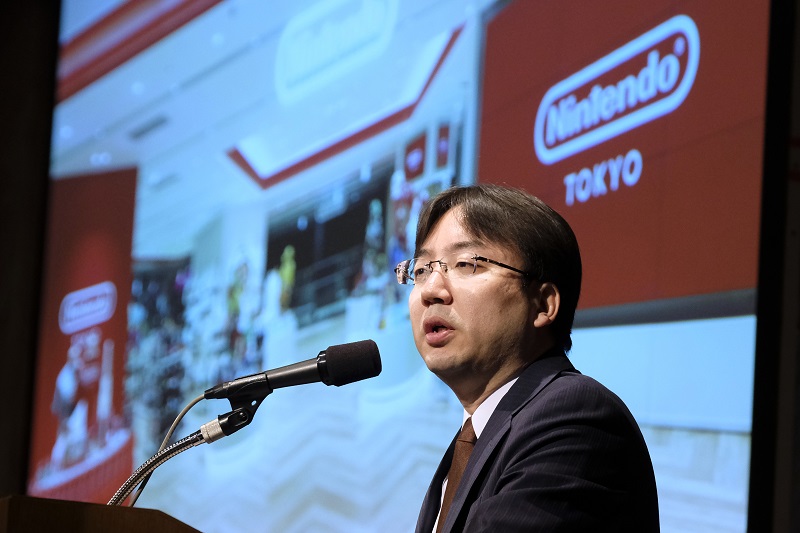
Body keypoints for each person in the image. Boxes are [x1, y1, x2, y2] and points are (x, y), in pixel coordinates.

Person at [395, 184, 659, 532]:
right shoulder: (472, 440)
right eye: (422, 270)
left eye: (465, 263)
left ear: (543, 303)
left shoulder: (575, 418)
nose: (431, 290)